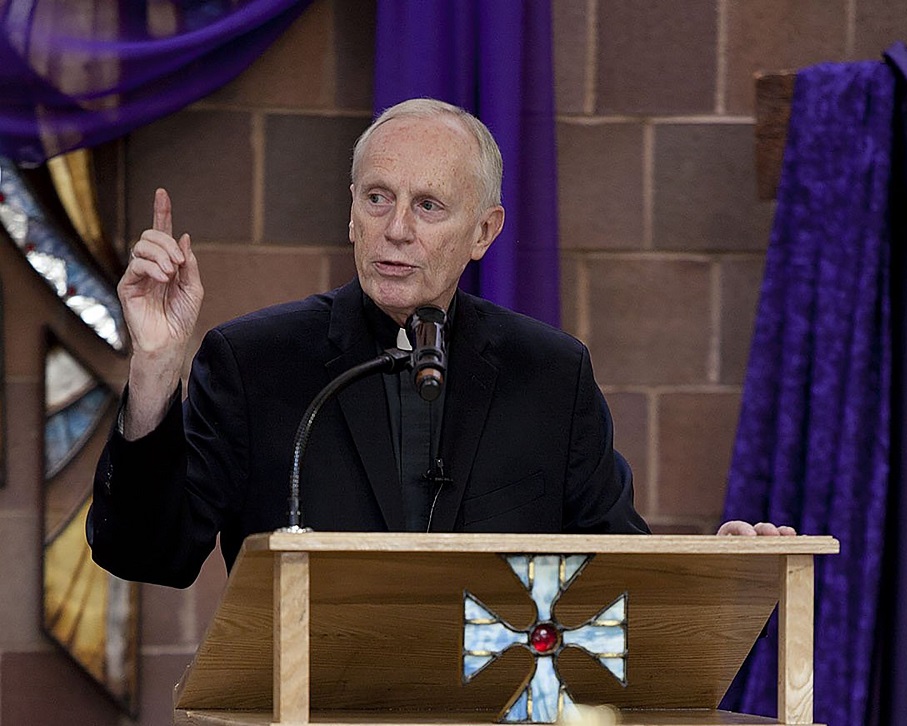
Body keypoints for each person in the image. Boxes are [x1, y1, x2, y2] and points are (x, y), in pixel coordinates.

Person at [87, 99, 790, 588]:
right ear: (352, 212)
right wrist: (154, 369)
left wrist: (712, 572)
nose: (397, 229)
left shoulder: (550, 373)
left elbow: (613, 574)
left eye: (428, 206)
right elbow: (147, 554)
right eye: (378, 198)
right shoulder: (254, 362)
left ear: (484, 231)